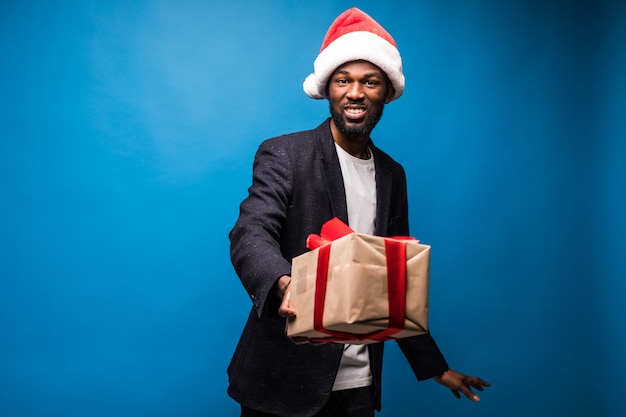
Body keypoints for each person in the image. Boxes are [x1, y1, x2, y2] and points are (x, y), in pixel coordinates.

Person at [228, 8, 490, 417]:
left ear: (386, 91)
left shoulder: (392, 175)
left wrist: (435, 366)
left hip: (359, 385)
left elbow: (394, 278)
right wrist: (283, 283)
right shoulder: (286, 154)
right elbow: (251, 231)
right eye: (343, 80)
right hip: (284, 379)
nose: (355, 92)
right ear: (327, 89)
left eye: (370, 81)